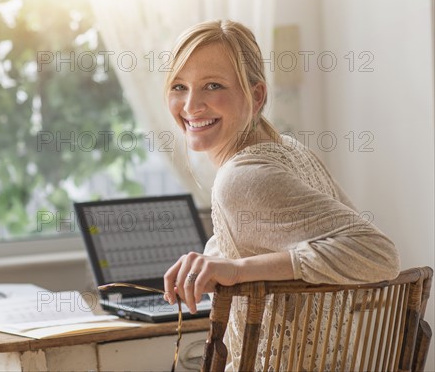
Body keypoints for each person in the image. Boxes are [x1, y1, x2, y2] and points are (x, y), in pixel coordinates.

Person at [161, 19, 400, 370]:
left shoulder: (241, 179)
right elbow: (274, 237)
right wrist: (217, 260)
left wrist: (239, 269)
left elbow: (379, 253)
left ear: (256, 95)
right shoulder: (290, 151)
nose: (191, 105)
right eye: (179, 86)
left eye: (213, 85)